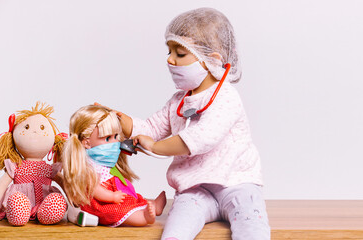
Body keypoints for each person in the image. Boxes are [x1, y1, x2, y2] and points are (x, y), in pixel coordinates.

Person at [114, 7, 270, 239]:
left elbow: (202, 137)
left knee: (252, 229)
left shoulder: (226, 97)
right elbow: (151, 129)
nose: (170, 59)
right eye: (169, 51)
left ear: (212, 60)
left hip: (237, 184)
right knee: (176, 231)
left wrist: (155, 147)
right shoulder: (179, 100)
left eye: (180, 53)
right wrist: (118, 120)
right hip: (195, 190)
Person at [61, 105, 166, 227]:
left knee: (133, 199)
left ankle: (153, 205)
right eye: (107, 138)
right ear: (87, 142)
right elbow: (95, 190)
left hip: (115, 195)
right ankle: (143, 217)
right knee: (117, 211)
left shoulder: (103, 163)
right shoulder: (88, 168)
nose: (115, 143)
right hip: (101, 203)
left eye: (116, 137)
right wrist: (111, 196)